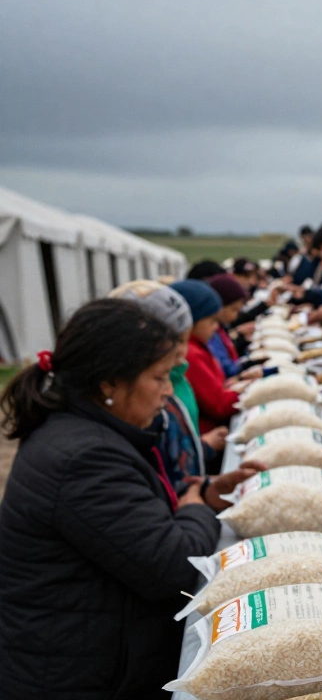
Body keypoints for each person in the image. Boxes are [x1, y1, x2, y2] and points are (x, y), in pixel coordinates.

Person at [0, 299, 260, 698]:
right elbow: (173, 567)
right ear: (109, 383)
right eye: (159, 377)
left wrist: (202, 490)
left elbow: (131, 524)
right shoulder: (84, 458)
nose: (168, 392)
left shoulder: (85, 432)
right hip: (76, 676)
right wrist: (196, 506)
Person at [108, 281, 228, 480]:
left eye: (184, 341)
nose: (182, 351)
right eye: (177, 342)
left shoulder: (177, 376)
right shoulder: (140, 400)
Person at [171, 279, 240, 433]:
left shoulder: (199, 347)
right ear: (190, 321)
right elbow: (218, 405)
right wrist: (252, 392)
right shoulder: (190, 354)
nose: (216, 327)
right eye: (212, 321)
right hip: (210, 436)